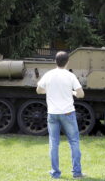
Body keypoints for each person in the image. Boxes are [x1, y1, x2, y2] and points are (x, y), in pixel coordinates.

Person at [36, 51, 85, 179]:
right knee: (74, 142)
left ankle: (55, 173)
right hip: (68, 113)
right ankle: (77, 173)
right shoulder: (70, 76)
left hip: (52, 114)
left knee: (54, 143)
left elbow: (38, 90)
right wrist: (73, 92)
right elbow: (81, 94)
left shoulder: (49, 74)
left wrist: (49, 90)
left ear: (55, 61)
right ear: (67, 62)